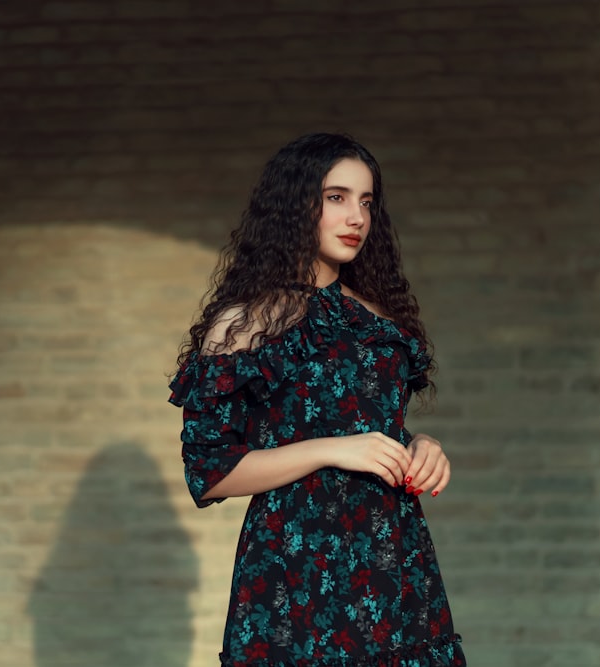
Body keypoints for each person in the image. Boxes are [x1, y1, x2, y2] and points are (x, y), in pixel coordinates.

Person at [169, 133, 465, 667]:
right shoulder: (244, 324)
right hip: (295, 573)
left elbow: (379, 430)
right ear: (295, 204)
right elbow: (209, 472)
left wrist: (421, 446)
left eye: (367, 202)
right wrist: (330, 450)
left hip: (394, 564)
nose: (356, 216)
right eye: (337, 197)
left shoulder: (379, 319)